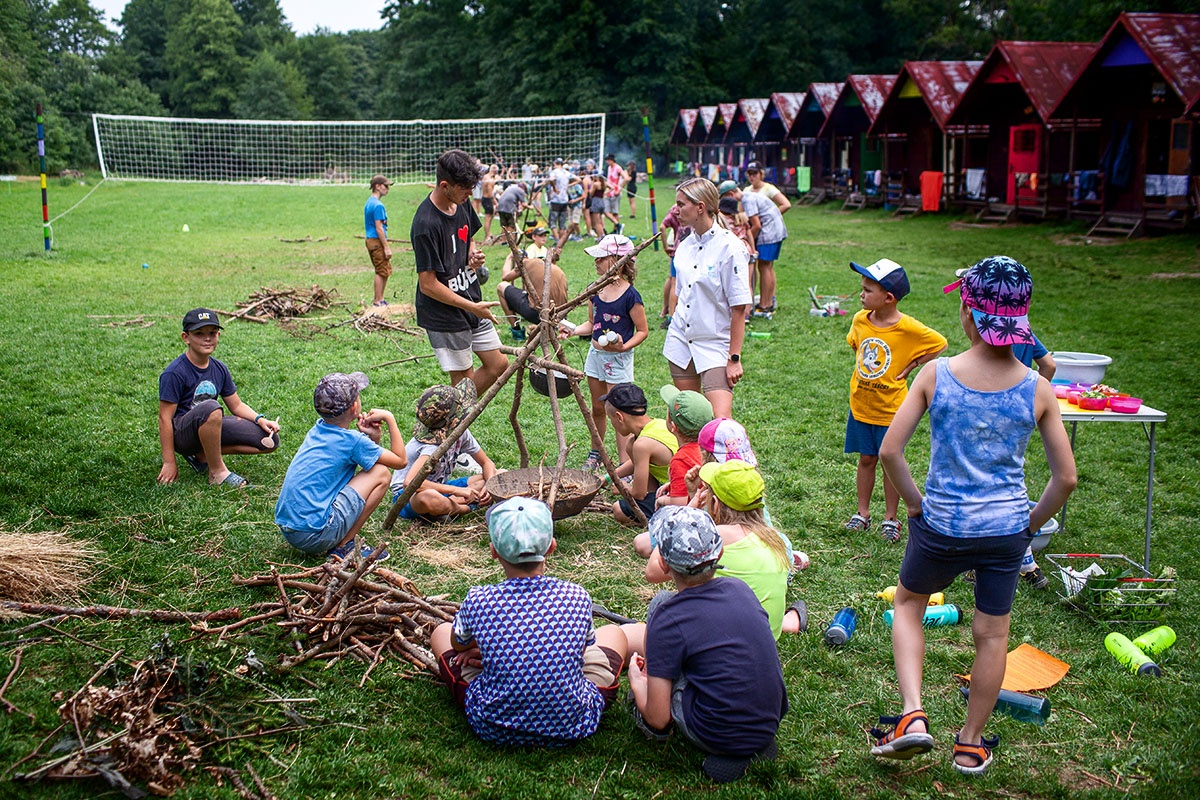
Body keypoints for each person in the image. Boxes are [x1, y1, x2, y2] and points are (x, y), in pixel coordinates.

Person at [871, 255, 1076, 775]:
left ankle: (913, 716)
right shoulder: (1038, 387)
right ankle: (970, 743)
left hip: (941, 525)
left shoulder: (936, 375)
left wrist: (915, 505)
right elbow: (1066, 479)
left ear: (968, 313)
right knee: (991, 635)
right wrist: (1029, 525)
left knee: (911, 604)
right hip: (1006, 531)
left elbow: (891, 452)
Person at [430, 497, 629, 746]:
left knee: (440, 631)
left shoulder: (479, 599)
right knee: (614, 633)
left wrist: (488, 647)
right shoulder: (577, 595)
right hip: (573, 722)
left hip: (493, 723)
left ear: (493, 551)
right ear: (551, 547)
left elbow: (458, 645)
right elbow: (585, 649)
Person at [623, 506, 787, 783]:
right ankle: (750, 744)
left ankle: (721, 744)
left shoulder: (668, 617)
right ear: (719, 552)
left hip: (714, 731)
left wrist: (638, 684)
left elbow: (659, 717)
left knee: (660, 604)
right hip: (768, 724)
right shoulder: (741, 590)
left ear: (663, 563)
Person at [844, 258, 947, 542]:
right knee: (867, 459)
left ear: (888, 298)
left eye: (867, 290)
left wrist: (912, 365)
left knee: (890, 461)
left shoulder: (909, 328)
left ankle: (891, 518)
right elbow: (856, 345)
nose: (861, 294)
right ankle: (862, 513)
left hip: (891, 410)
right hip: (861, 405)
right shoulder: (859, 320)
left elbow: (940, 343)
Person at [275, 372, 406, 560]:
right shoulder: (353, 441)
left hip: (291, 529)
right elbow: (400, 461)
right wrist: (390, 418)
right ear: (354, 407)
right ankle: (345, 545)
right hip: (315, 534)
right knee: (382, 474)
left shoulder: (318, 428)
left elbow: (366, 460)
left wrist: (373, 438)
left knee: (375, 470)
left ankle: (340, 540)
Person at [412, 149, 508, 393]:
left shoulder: (461, 203)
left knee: (499, 364)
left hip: (471, 299)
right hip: (445, 312)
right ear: (445, 185)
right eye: (465, 190)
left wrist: (471, 254)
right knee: (464, 381)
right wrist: (471, 307)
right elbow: (428, 284)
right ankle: (456, 427)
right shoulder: (425, 224)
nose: (470, 195)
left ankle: (449, 418)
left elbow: (469, 235)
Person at [157, 308, 280, 489]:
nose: (207, 338)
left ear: (218, 335)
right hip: (183, 435)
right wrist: (169, 462)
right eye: (199, 334)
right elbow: (164, 418)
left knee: (269, 441)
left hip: (210, 425)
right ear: (186, 337)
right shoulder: (174, 372)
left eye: (212, 333)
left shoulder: (219, 368)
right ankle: (217, 473)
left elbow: (236, 405)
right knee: (211, 408)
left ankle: (202, 456)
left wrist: (260, 420)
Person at [663, 177, 753, 420]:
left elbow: (739, 308)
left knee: (721, 423)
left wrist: (734, 358)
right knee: (689, 420)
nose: (676, 210)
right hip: (681, 342)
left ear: (700, 207)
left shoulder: (730, 247)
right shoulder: (684, 246)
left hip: (715, 343)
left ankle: (730, 460)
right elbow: (681, 295)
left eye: (681, 204)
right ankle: (695, 460)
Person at [566, 234, 648, 470]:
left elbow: (642, 331)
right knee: (598, 408)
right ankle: (597, 451)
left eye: (601, 258)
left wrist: (624, 346)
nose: (596, 262)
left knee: (619, 411)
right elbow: (591, 324)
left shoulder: (630, 295)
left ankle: (625, 462)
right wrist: (571, 331)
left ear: (617, 260)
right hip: (595, 357)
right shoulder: (595, 290)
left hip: (618, 359)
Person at [390, 379, 497, 523]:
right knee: (430, 498)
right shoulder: (430, 446)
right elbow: (410, 483)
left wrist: (490, 486)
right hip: (409, 496)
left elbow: (486, 463)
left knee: (500, 475)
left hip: (442, 488)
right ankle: (462, 508)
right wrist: (457, 491)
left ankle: (448, 506)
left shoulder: (460, 433)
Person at [600, 383, 677, 526]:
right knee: (630, 445)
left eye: (610, 418)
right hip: (681, 487)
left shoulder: (642, 445)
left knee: (618, 509)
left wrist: (623, 488)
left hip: (679, 497)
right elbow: (638, 463)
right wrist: (608, 478)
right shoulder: (657, 424)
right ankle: (653, 497)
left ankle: (658, 520)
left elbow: (638, 494)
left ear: (619, 417)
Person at [718, 179, 782, 319]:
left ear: (730, 194)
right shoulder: (748, 196)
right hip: (776, 232)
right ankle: (768, 302)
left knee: (765, 267)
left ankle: (765, 305)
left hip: (769, 233)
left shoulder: (747, 200)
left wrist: (742, 243)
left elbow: (756, 225)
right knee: (768, 267)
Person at [653, 385, 712, 509]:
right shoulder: (709, 447)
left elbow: (680, 502)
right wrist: (673, 485)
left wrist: (663, 500)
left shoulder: (680, 459)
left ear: (673, 426)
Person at [496, 255, 567, 342]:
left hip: (538, 314)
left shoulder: (526, 262)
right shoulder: (556, 268)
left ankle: (517, 332)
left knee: (501, 287)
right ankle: (550, 328)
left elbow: (505, 277)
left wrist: (509, 258)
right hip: (561, 316)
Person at [658, 203, 691, 329]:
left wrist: (665, 246)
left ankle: (668, 313)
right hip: (689, 251)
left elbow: (662, 227)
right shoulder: (694, 208)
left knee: (673, 280)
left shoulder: (674, 209)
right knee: (675, 281)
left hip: (677, 249)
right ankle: (671, 315)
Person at [365, 175, 394, 307]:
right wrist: (386, 247)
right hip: (377, 241)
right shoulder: (378, 205)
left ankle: (380, 299)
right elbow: (379, 228)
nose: (387, 189)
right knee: (381, 270)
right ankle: (378, 300)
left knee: (382, 270)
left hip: (370, 240)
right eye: (385, 186)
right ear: (377, 186)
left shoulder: (369, 202)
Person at [547, 157, 571, 244]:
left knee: (552, 221)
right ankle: (561, 241)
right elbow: (578, 179)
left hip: (556, 200)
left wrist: (554, 188)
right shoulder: (567, 173)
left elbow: (551, 179)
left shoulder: (554, 172)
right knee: (562, 223)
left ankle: (557, 240)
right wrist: (568, 186)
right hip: (564, 199)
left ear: (555, 163)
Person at [603, 153, 629, 232]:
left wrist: (619, 189)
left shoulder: (618, 168)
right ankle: (618, 225)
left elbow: (626, 178)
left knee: (615, 212)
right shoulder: (609, 168)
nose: (607, 161)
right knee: (606, 211)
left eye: (608, 160)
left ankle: (615, 229)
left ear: (612, 160)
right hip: (609, 192)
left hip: (615, 193)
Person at [481, 164, 499, 241]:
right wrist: (495, 203)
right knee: (488, 218)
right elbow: (490, 194)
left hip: (485, 199)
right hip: (487, 199)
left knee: (490, 216)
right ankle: (487, 236)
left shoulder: (486, 177)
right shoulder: (489, 180)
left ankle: (488, 233)